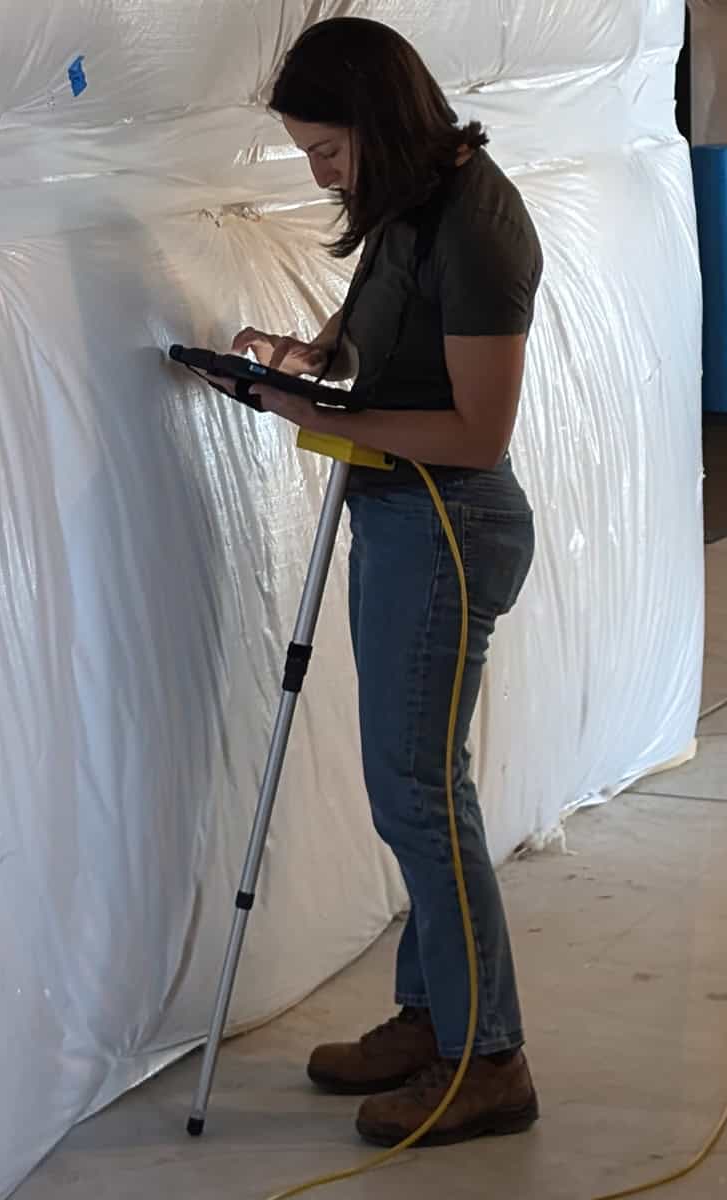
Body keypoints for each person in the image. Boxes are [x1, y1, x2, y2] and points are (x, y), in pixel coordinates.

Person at [226, 16, 545, 1148]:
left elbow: (477, 429)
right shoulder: (416, 204)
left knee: (418, 792)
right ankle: (430, 1019)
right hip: (405, 515)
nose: (319, 174)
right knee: (417, 786)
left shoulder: (480, 226)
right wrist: (311, 361)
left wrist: (314, 415)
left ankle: (485, 1058)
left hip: (450, 522)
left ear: (382, 119)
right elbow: (382, 352)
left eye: (326, 151)